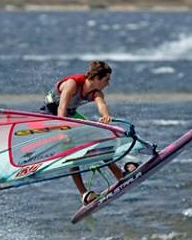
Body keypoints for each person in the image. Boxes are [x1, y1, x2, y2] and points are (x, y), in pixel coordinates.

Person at [41, 60, 135, 204]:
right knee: (70, 148)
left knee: (99, 136)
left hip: (70, 114)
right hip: (52, 114)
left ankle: (118, 173)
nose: (108, 84)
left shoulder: (96, 92)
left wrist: (105, 115)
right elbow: (61, 108)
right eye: (106, 80)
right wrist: (61, 130)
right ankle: (83, 193)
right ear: (97, 78)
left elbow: (101, 104)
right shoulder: (72, 83)